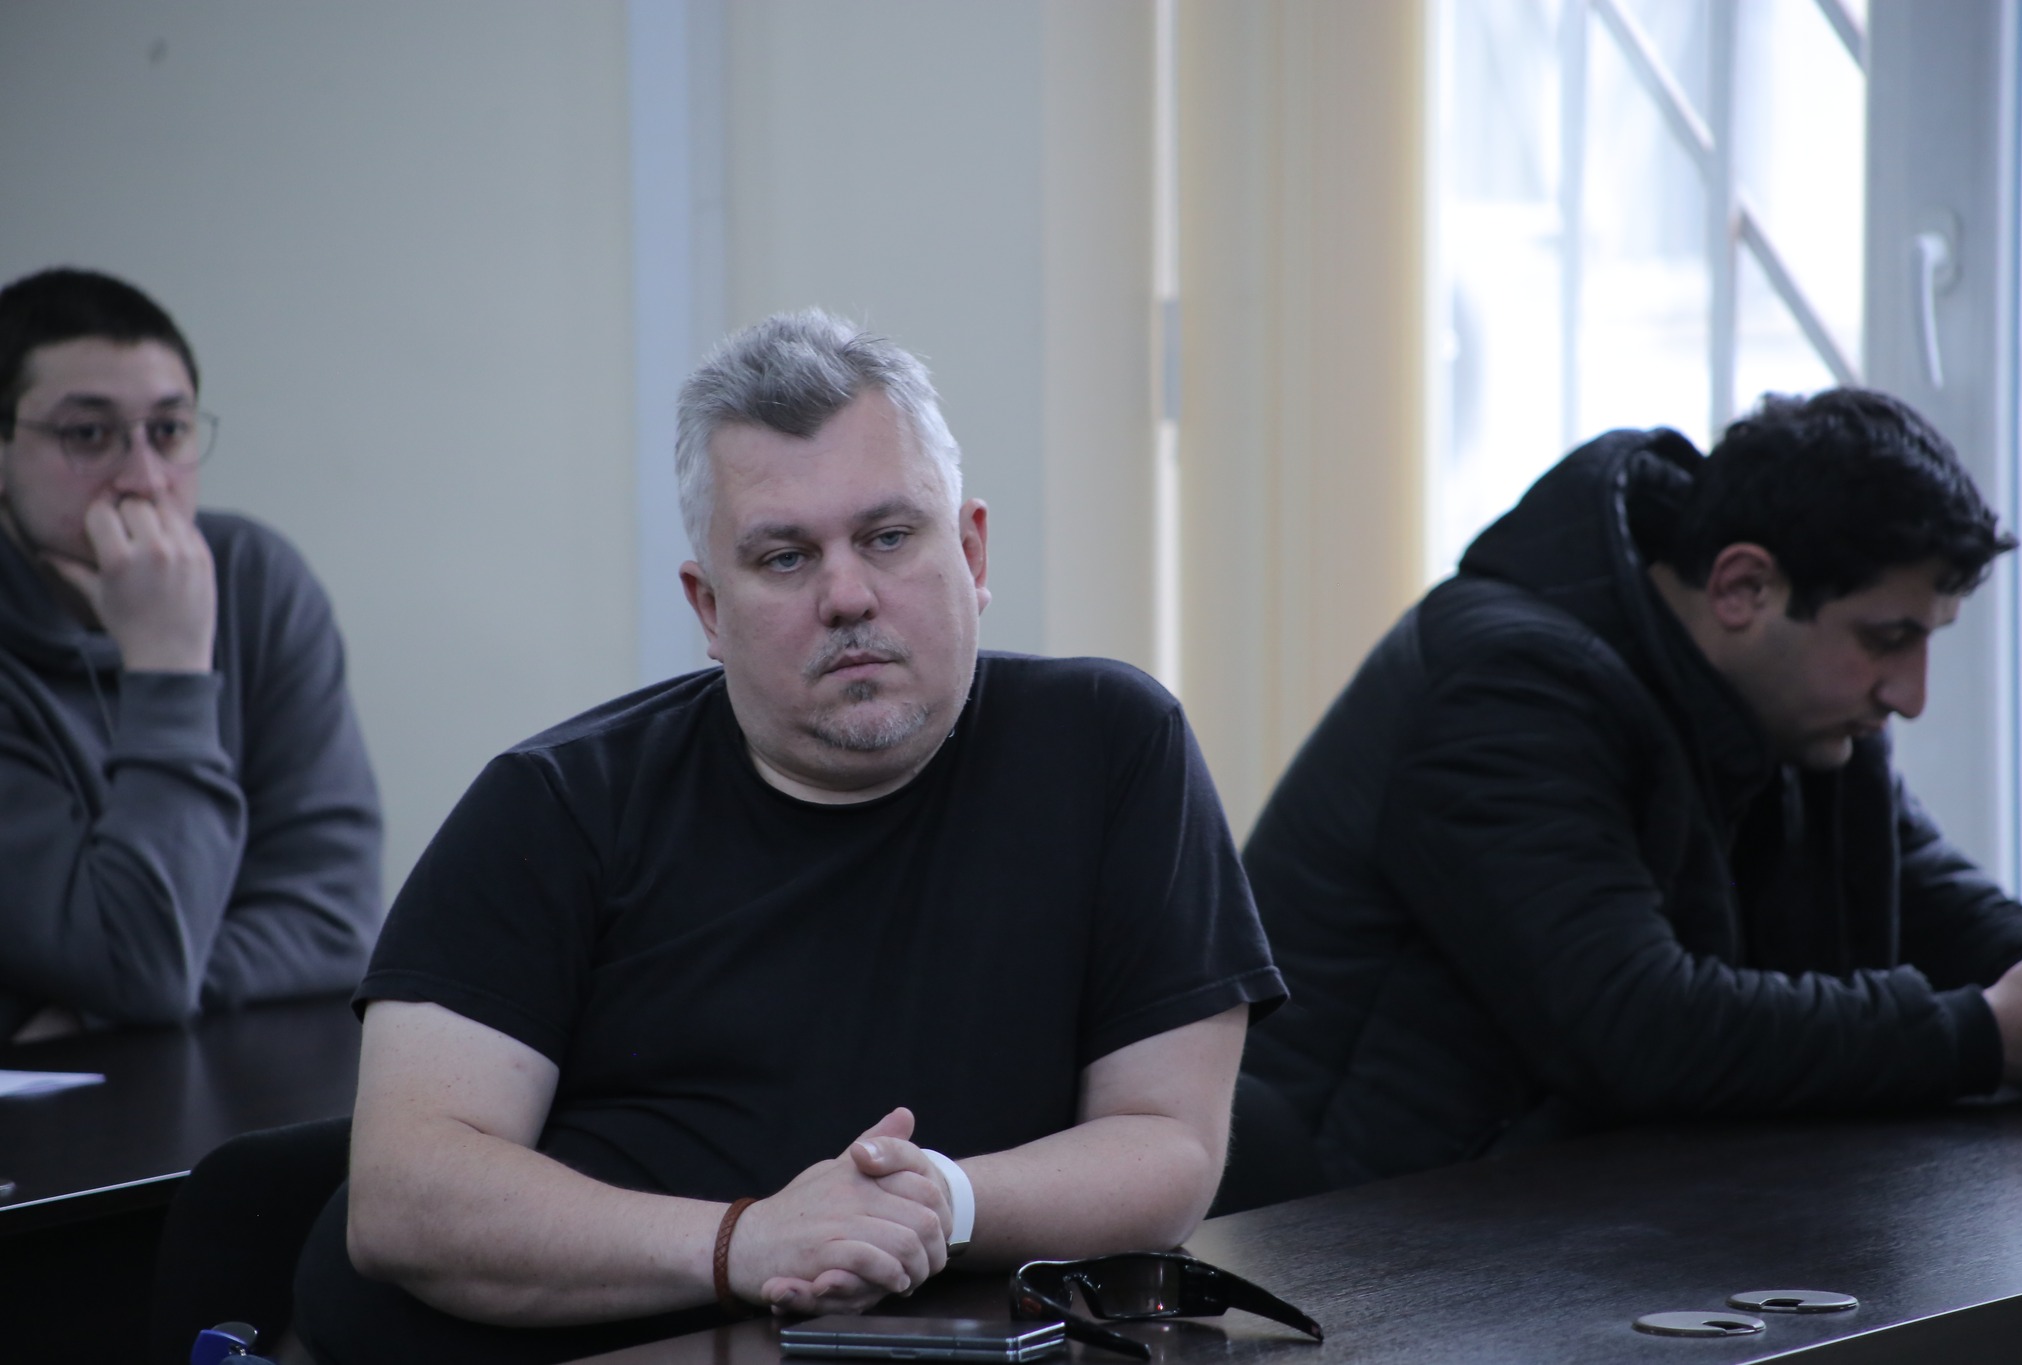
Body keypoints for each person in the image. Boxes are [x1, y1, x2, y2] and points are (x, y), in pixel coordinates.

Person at [291, 310, 1283, 1365]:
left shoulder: (1109, 748)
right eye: (784, 556)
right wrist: (748, 1241)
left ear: (971, 551)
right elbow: (405, 1195)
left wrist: (938, 1201)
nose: (847, 595)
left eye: (888, 537)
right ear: (709, 609)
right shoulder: (554, 805)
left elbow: (1167, 1143)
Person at [1241, 388, 2022, 1189]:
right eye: (1887, 638)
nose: (1910, 693)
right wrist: (1982, 1035)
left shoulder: (1805, 711)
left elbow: (1940, 905)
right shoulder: (1503, 690)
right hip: (1355, 1230)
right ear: (1741, 587)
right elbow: (1635, 1023)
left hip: (1567, 1213)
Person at [0, 267, 381, 1040]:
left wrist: (97, 1001)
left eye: (169, 431)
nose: (144, 480)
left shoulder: (252, 578)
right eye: (87, 434)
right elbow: (139, 961)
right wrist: (169, 663)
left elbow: (336, 921)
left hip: (223, 1072)